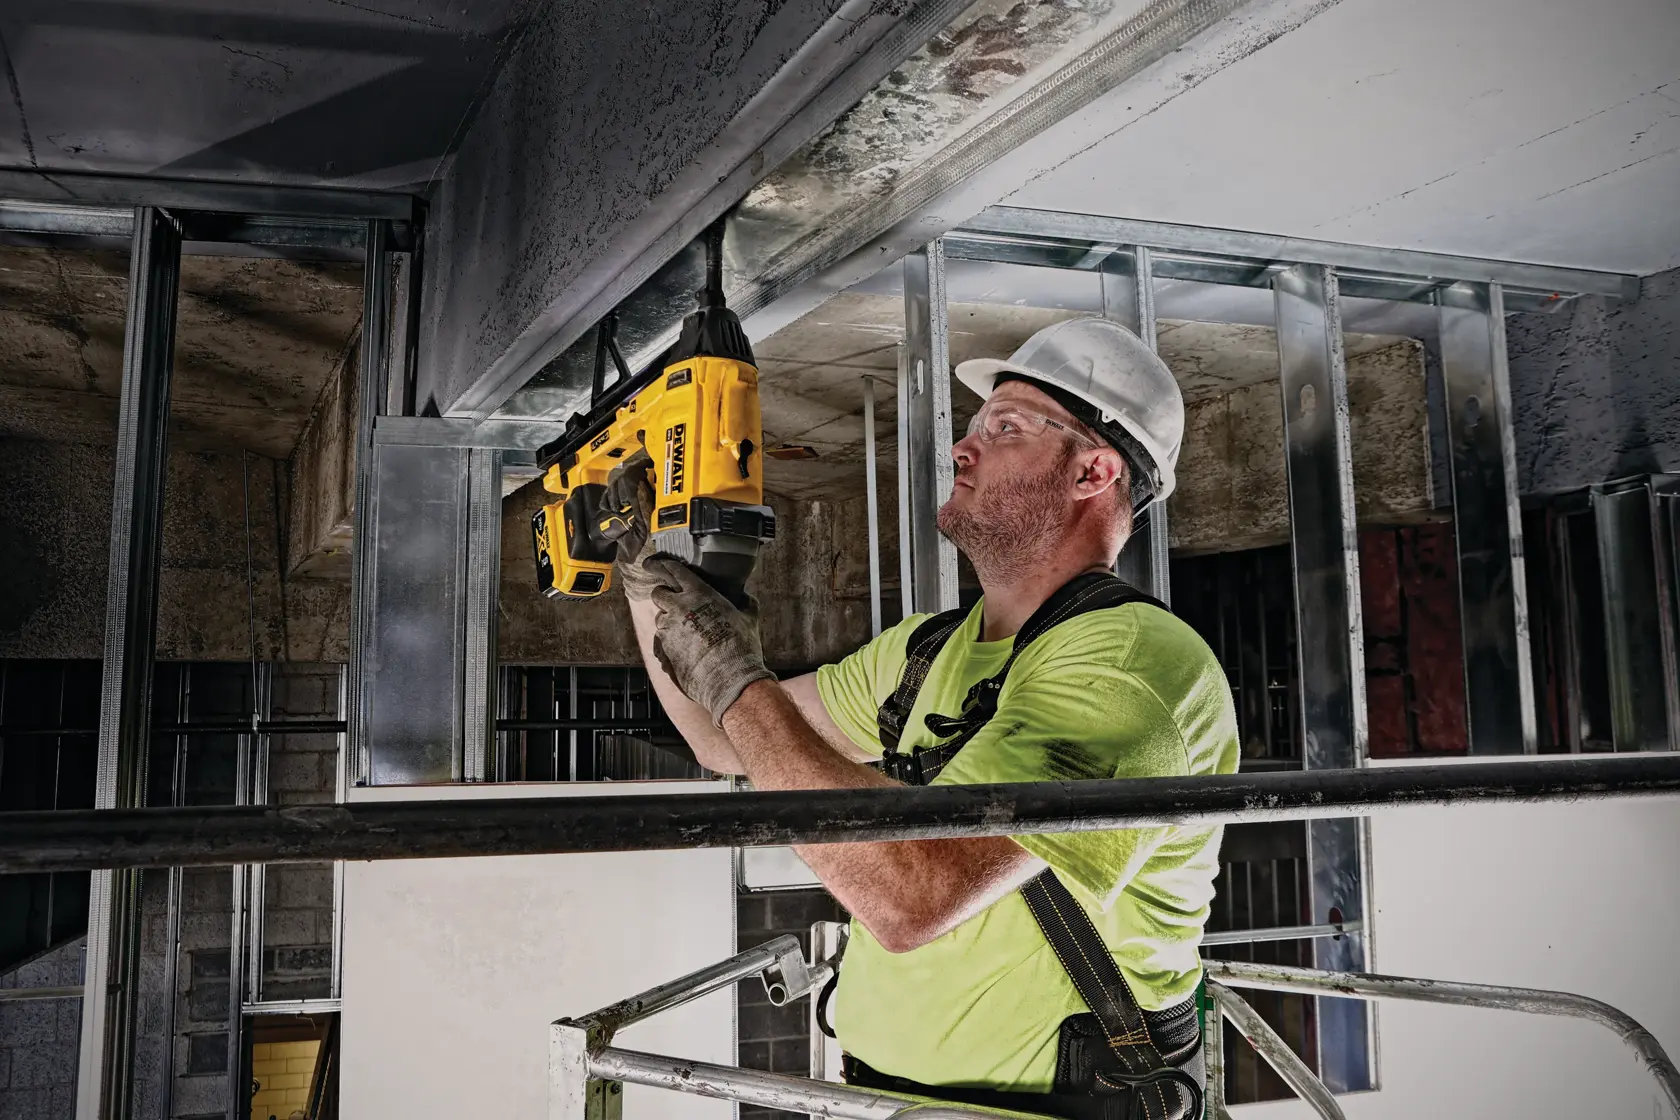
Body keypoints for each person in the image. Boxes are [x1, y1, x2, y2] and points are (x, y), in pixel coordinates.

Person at [609, 317, 1239, 1120]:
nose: (964, 448)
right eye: (974, 426)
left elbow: (914, 898)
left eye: (1006, 427)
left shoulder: (1129, 669)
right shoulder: (928, 649)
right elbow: (720, 738)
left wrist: (737, 678)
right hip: (879, 1098)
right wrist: (645, 582)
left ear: (1093, 471)